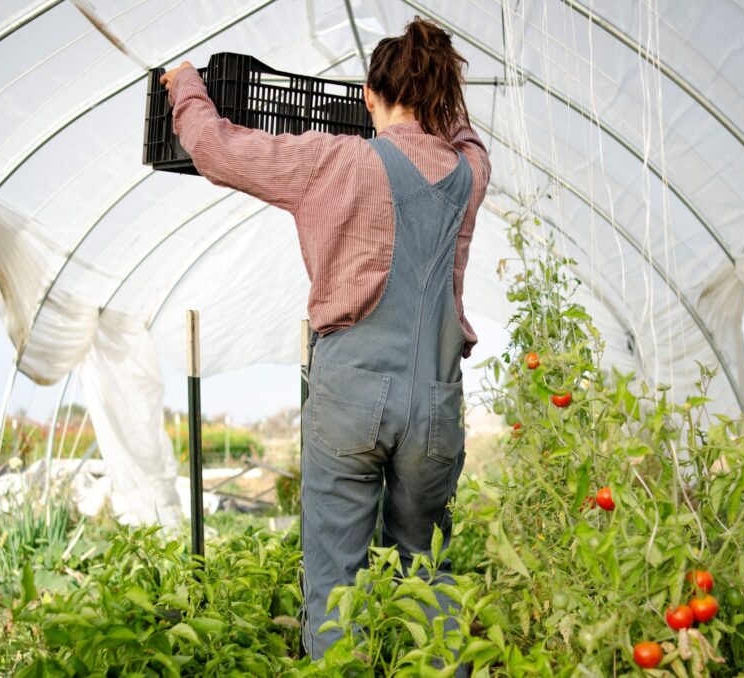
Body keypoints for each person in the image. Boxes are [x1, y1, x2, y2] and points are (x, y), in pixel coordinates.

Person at [161, 16, 490, 668]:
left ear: (368, 97)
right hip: (436, 403)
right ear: (441, 98)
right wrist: (441, 100)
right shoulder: (469, 174)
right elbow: (464, 132)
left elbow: (216, 149)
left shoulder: (334, 161)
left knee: (335, 582)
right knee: (427, 574)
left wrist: (185, 85)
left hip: (350, 398)